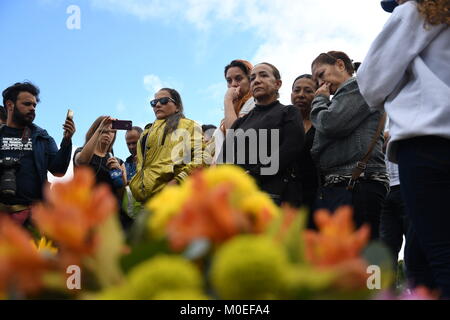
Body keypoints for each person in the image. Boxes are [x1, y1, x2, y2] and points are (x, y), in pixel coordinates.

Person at [357, 0, 450, 297]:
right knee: (416, 256)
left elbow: (370, 84)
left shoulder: (415, 11)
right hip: (409, 169)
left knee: (436, 257)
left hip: (426, 143)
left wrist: (400, 77)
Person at [310, 51, 388, 240]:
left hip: (359, 183)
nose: (320, 83)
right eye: (317, 80)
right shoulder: (340, 97)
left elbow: (330, 124)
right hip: (348, 185)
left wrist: (319, 100)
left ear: (340, 65)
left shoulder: (357, 85)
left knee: (365, 257)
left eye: (322, 74)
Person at [219, 62, 305, 207]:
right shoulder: (240, 123)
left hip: (276, 198)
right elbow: (226, 158)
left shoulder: (289, 112)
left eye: (263, 75)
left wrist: (253, 175)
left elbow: (291, 148)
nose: (257, 80)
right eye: (252, 78)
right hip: (241, 199)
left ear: (278, 84)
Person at [0, 82, 75, 225]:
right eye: (27, 104)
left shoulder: (42, 137)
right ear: (10, 105)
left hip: (33, 219)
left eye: (34, 105)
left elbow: (58, 170)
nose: (32, 109)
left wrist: (66, 141)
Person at [129, 88, 204, 203]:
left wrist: (178, 181)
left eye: (164, 100)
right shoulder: (145, 133)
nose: (158, 104)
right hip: (148, 203)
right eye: (154, 103)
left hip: (178, 199)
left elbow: (202, 159)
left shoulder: (189, 125)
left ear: (177, 106)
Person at [73, 116, 132, 230]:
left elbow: (121, 195)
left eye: (112, 132)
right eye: (104, 131)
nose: (108, 134)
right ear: (95, 131)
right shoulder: (82, 152)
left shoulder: (118, 162)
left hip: (112, 217)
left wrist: (119, 173)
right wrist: (100, 127)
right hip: (88, 215)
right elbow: (81, 161)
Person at [212, 60, 255, 163]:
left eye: (239, 78)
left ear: (250, 79)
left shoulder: (255, 102)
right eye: (229, 81)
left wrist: (227, 100)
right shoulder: (233, 107)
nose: (233, 84)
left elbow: (234, 135)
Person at [291, 74, 319, 216]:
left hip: (319, 196)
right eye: (297, 90)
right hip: (289, 199)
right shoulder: (282, 123)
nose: (301, 95)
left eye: (308, 91)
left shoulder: (325, 122)